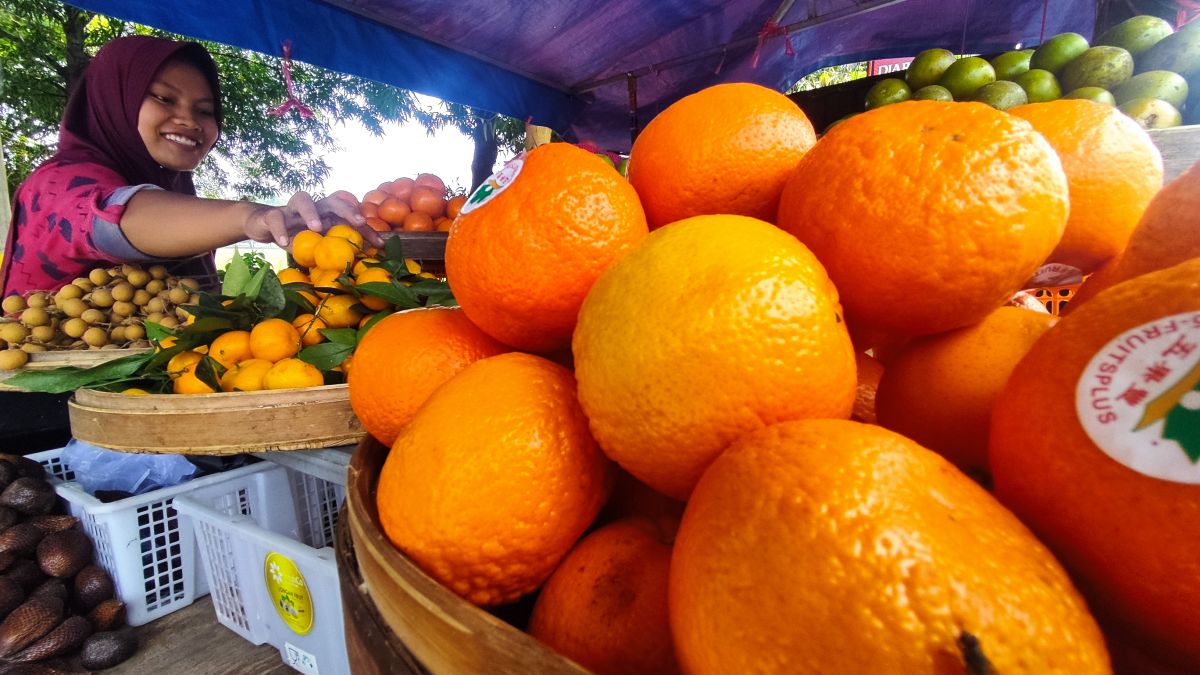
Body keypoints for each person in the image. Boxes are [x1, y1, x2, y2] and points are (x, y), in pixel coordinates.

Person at [0, 35, 379, 297]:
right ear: (113, 100)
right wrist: (252, 217)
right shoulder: (54, 187)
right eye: (165, 98)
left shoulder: (177, 194)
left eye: (205, 111)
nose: (189, 121)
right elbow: (119, 220)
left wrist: (298, 231)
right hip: (47, 408)